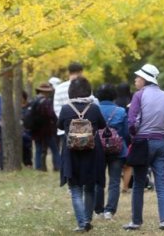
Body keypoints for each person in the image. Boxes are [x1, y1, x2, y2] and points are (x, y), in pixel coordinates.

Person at [123, 64, 164, 231]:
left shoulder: (139, 95)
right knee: (161, 183)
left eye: (137, 77)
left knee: (138, 183)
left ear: (144, 79)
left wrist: (133, 135)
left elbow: (132, 122)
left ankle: (136, 222)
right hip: (161, 143)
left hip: (142, 142)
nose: (135, 79)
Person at [58, 76, 106, 233]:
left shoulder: (66, 109)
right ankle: (87, 219)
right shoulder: (94, 108)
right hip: (92, 152)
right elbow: (103, 125)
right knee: (90, 187)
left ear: (71, 92)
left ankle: (81, 223)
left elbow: (60, 125)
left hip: (71, 154)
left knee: (76, 189)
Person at [94, 83, 129, 220]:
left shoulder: (94, 110)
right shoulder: (120, 111)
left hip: (97, 150)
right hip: (117, 151)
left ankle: (98, 210)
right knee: (114, 181)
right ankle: (110, 211)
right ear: (114, 96)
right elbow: (126, 133)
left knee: (98, 181)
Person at [30, 82, 59, 171]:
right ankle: (58, 166)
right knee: (55, 149)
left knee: (38, 149)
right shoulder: (46, 102)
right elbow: (51, 115)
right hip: (47, 130)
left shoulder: (33, 101)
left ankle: (38, 167)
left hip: (36, 130)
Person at [55, 62, 86, 142]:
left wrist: (68, 122)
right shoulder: (85, 87)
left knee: (67, 153)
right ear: (81, 72)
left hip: (65, 129)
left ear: (68, 72)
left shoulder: (59, 88)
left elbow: (57, 109)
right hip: (85, 129)